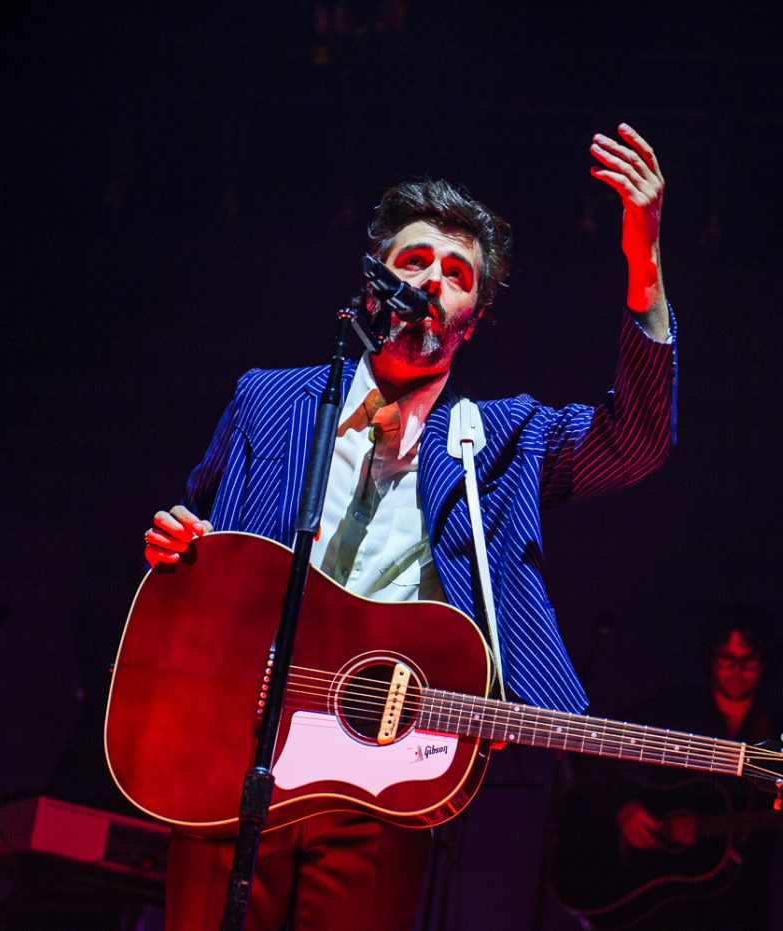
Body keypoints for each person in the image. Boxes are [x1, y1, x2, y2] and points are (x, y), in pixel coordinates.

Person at [140, 123, 674, 931]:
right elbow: (208, 540)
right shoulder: (270, 400)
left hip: (383, 786)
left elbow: (636, 442)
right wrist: (179, 546)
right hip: (233, 761)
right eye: (413, 262)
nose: (429, 281)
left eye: (455, 274)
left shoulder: (499, 441)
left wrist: (646, 266)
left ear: (473, 316)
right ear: (371, 285)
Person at [553, 609, 783, 931]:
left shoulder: (781, 734)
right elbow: (590, 748)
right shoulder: (674, 709)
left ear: (765, 661)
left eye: (748, 659)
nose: (736, 669)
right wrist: (623, 809)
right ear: (710, 656)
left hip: (735, 908)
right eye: (726, 657)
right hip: (655, 906)